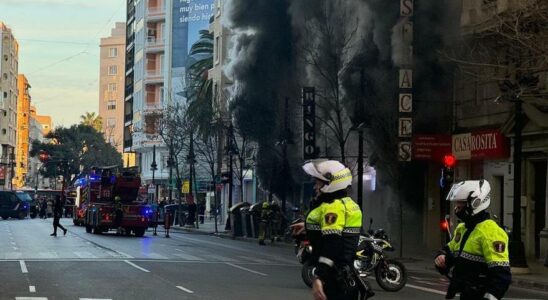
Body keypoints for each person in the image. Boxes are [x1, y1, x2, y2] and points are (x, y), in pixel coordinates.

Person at [292, 159, 373, 300]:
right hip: (345, 277)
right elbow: (341, 231)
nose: (315, 187)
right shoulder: (347, 203)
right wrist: (307, 226)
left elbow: (333, 244)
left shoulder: (332, 207)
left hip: (335, 280)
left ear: (331, 183)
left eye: (318, 183)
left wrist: (320, 278)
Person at [434, 180, 511, 300]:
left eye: (461, 202)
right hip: (465, 294)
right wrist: (441, 258)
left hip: (479, 294)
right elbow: (449, 252)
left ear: (475, 203)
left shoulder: (491, 232)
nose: (457, 207)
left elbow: (501, 276)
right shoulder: (463, 228)